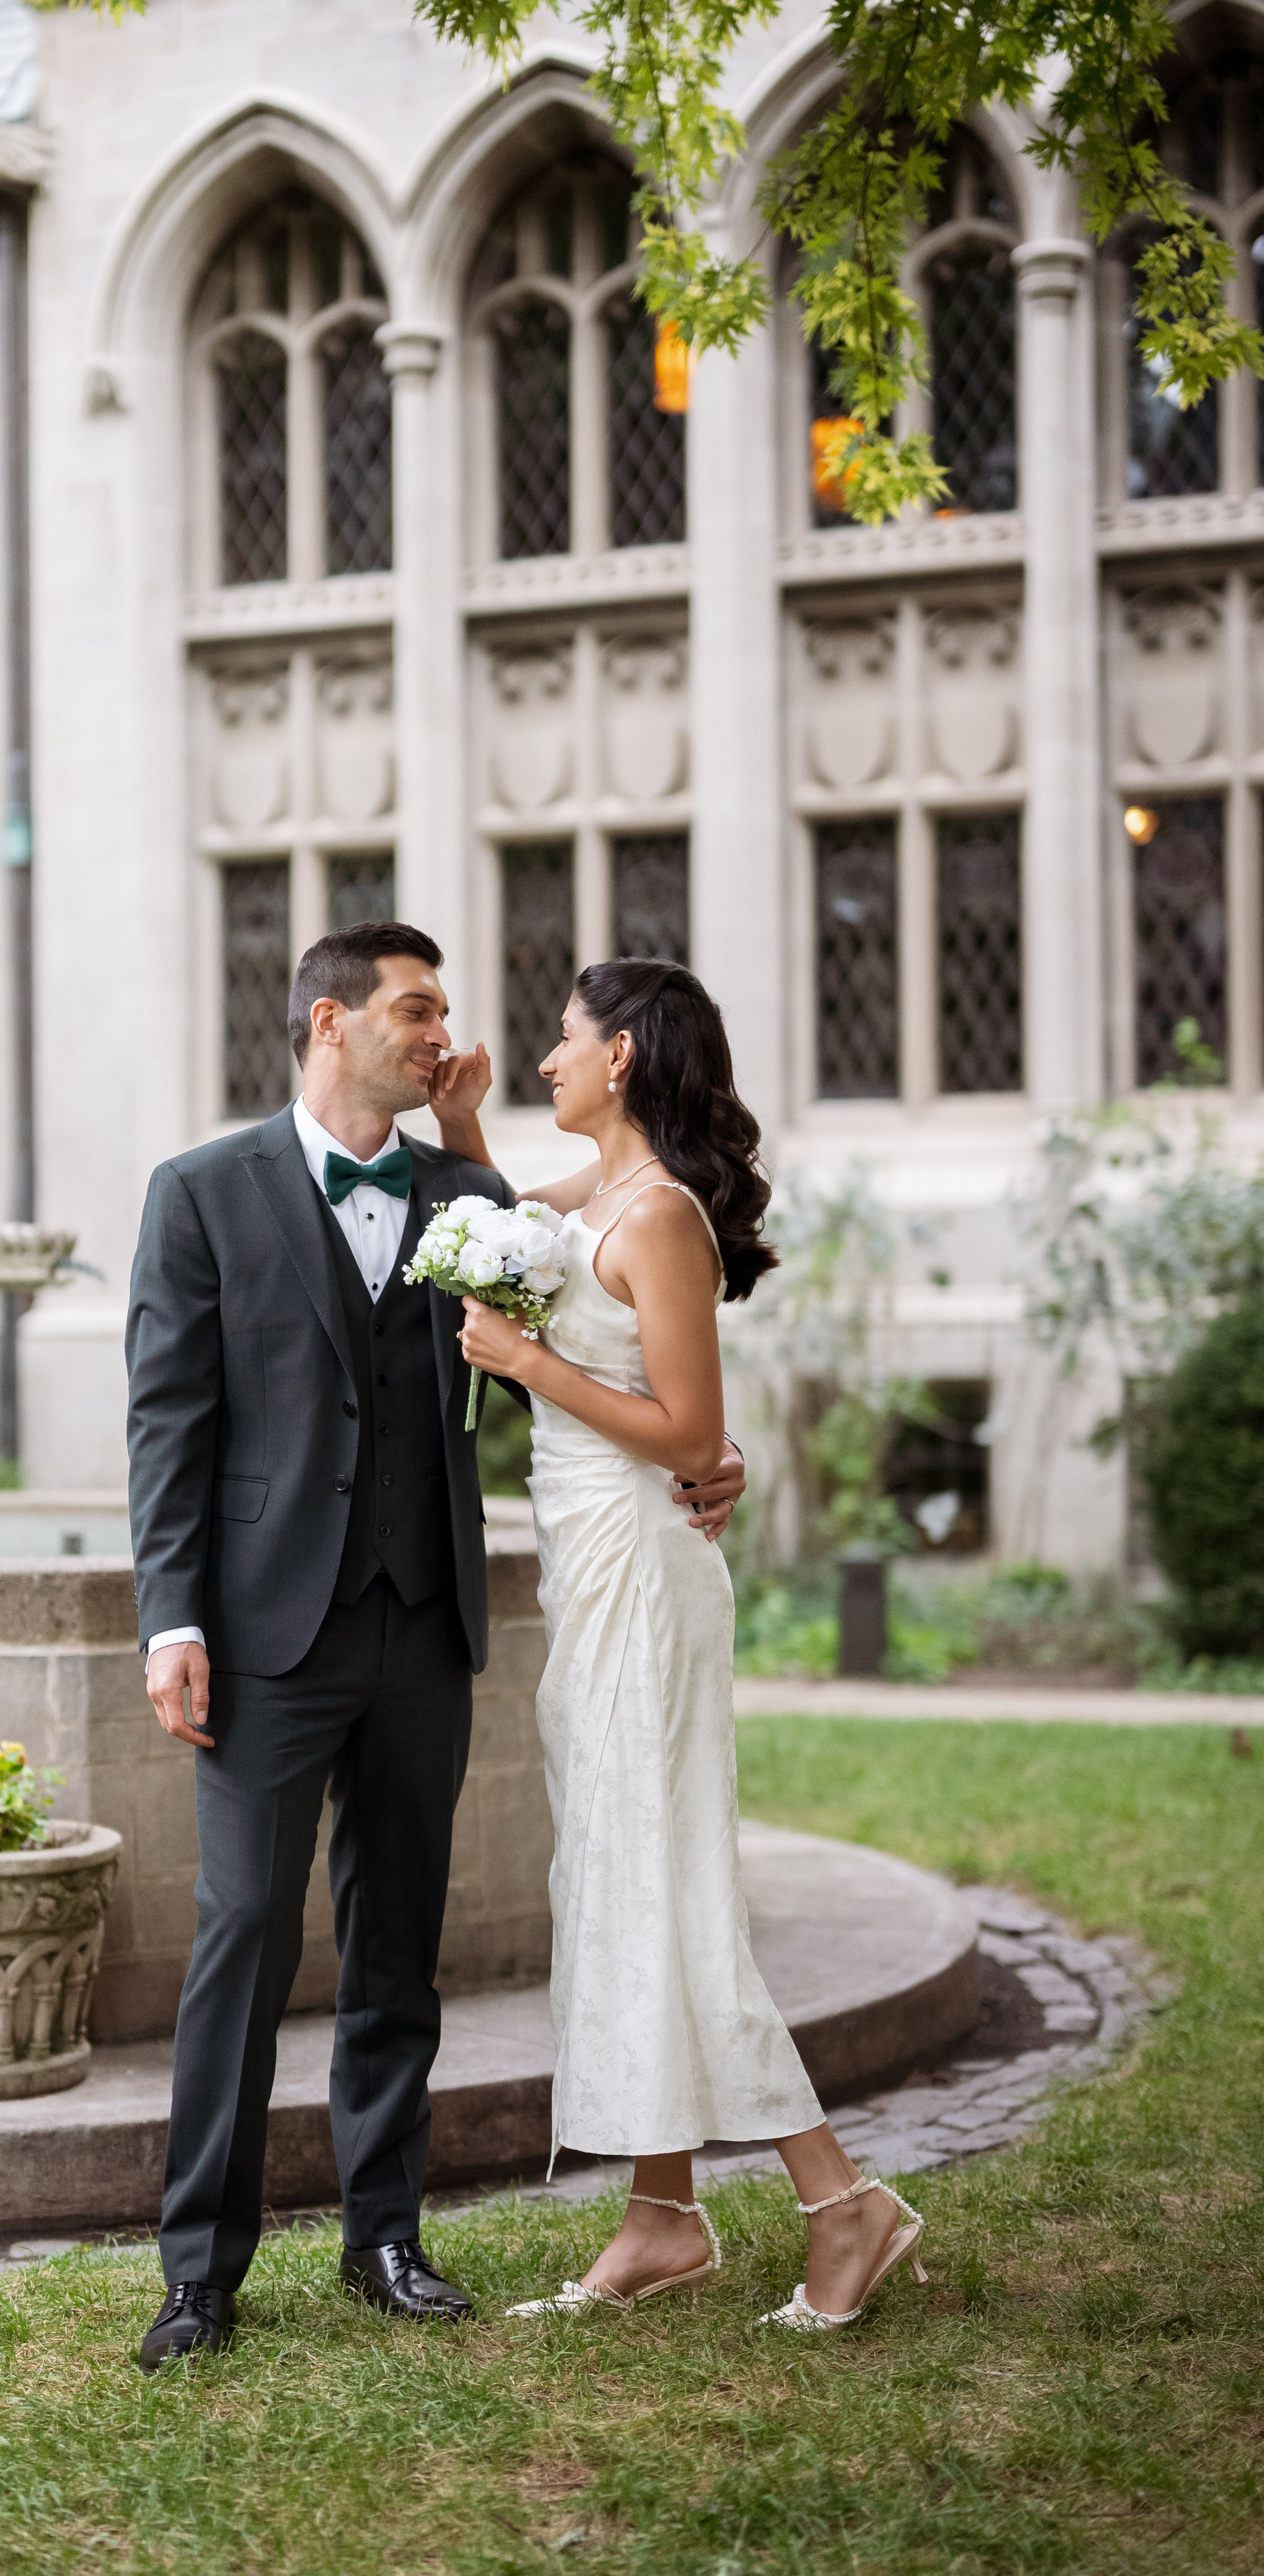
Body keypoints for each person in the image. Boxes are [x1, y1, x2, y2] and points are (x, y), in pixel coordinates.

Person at [123, 924, 750, 2369]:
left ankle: (385, 2238)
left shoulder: (476, 1201)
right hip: (267, 1636)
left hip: (422, 1628)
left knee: (398, 1941)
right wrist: (172, 1615)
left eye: (443, 1012)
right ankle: (198, 2271)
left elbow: (624, 1359)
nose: (442, 1033)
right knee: (242, 1940)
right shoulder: (199, 1194)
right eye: (416, 1010)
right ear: (329, 1021)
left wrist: (721, 1456)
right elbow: (169, 1425)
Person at [431, 958, 930, 2331]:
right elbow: (497, 1237)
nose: (544, 1059)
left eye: (564, 1041)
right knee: (614, 1873)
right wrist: (466, 1132)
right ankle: (659, 2215)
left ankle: (843, 2206)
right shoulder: (597, 1198)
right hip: (596, 1570)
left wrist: (529, 1367)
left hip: (646, 1577)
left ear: (626, 1060)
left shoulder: (655, 1219)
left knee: (669, 1884)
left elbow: (690, 1440)